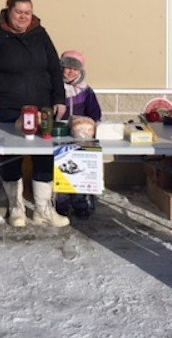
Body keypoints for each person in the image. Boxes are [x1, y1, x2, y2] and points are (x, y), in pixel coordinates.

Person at [0, 0, 69, 228]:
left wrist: (59, 98)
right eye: (19, 12)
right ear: (8, 11)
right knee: (12, 158)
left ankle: (42, 209)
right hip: (8, 106)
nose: (24, 17)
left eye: (28, 12)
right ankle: (16, 208)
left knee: (44, 157)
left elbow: (54, 69)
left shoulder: (40, 34)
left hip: (42, 107)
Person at [55, 50, 102, 219]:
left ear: (81, 72)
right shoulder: (56, 89)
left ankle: (81, 200)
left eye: (75, 69)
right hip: (61, 137)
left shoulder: (86, 92)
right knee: (63, 167)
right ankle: (62, 200)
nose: (71, 72)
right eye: (67, 68)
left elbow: (95, 114)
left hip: (82, 137)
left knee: (82, 168)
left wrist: (91, 125)